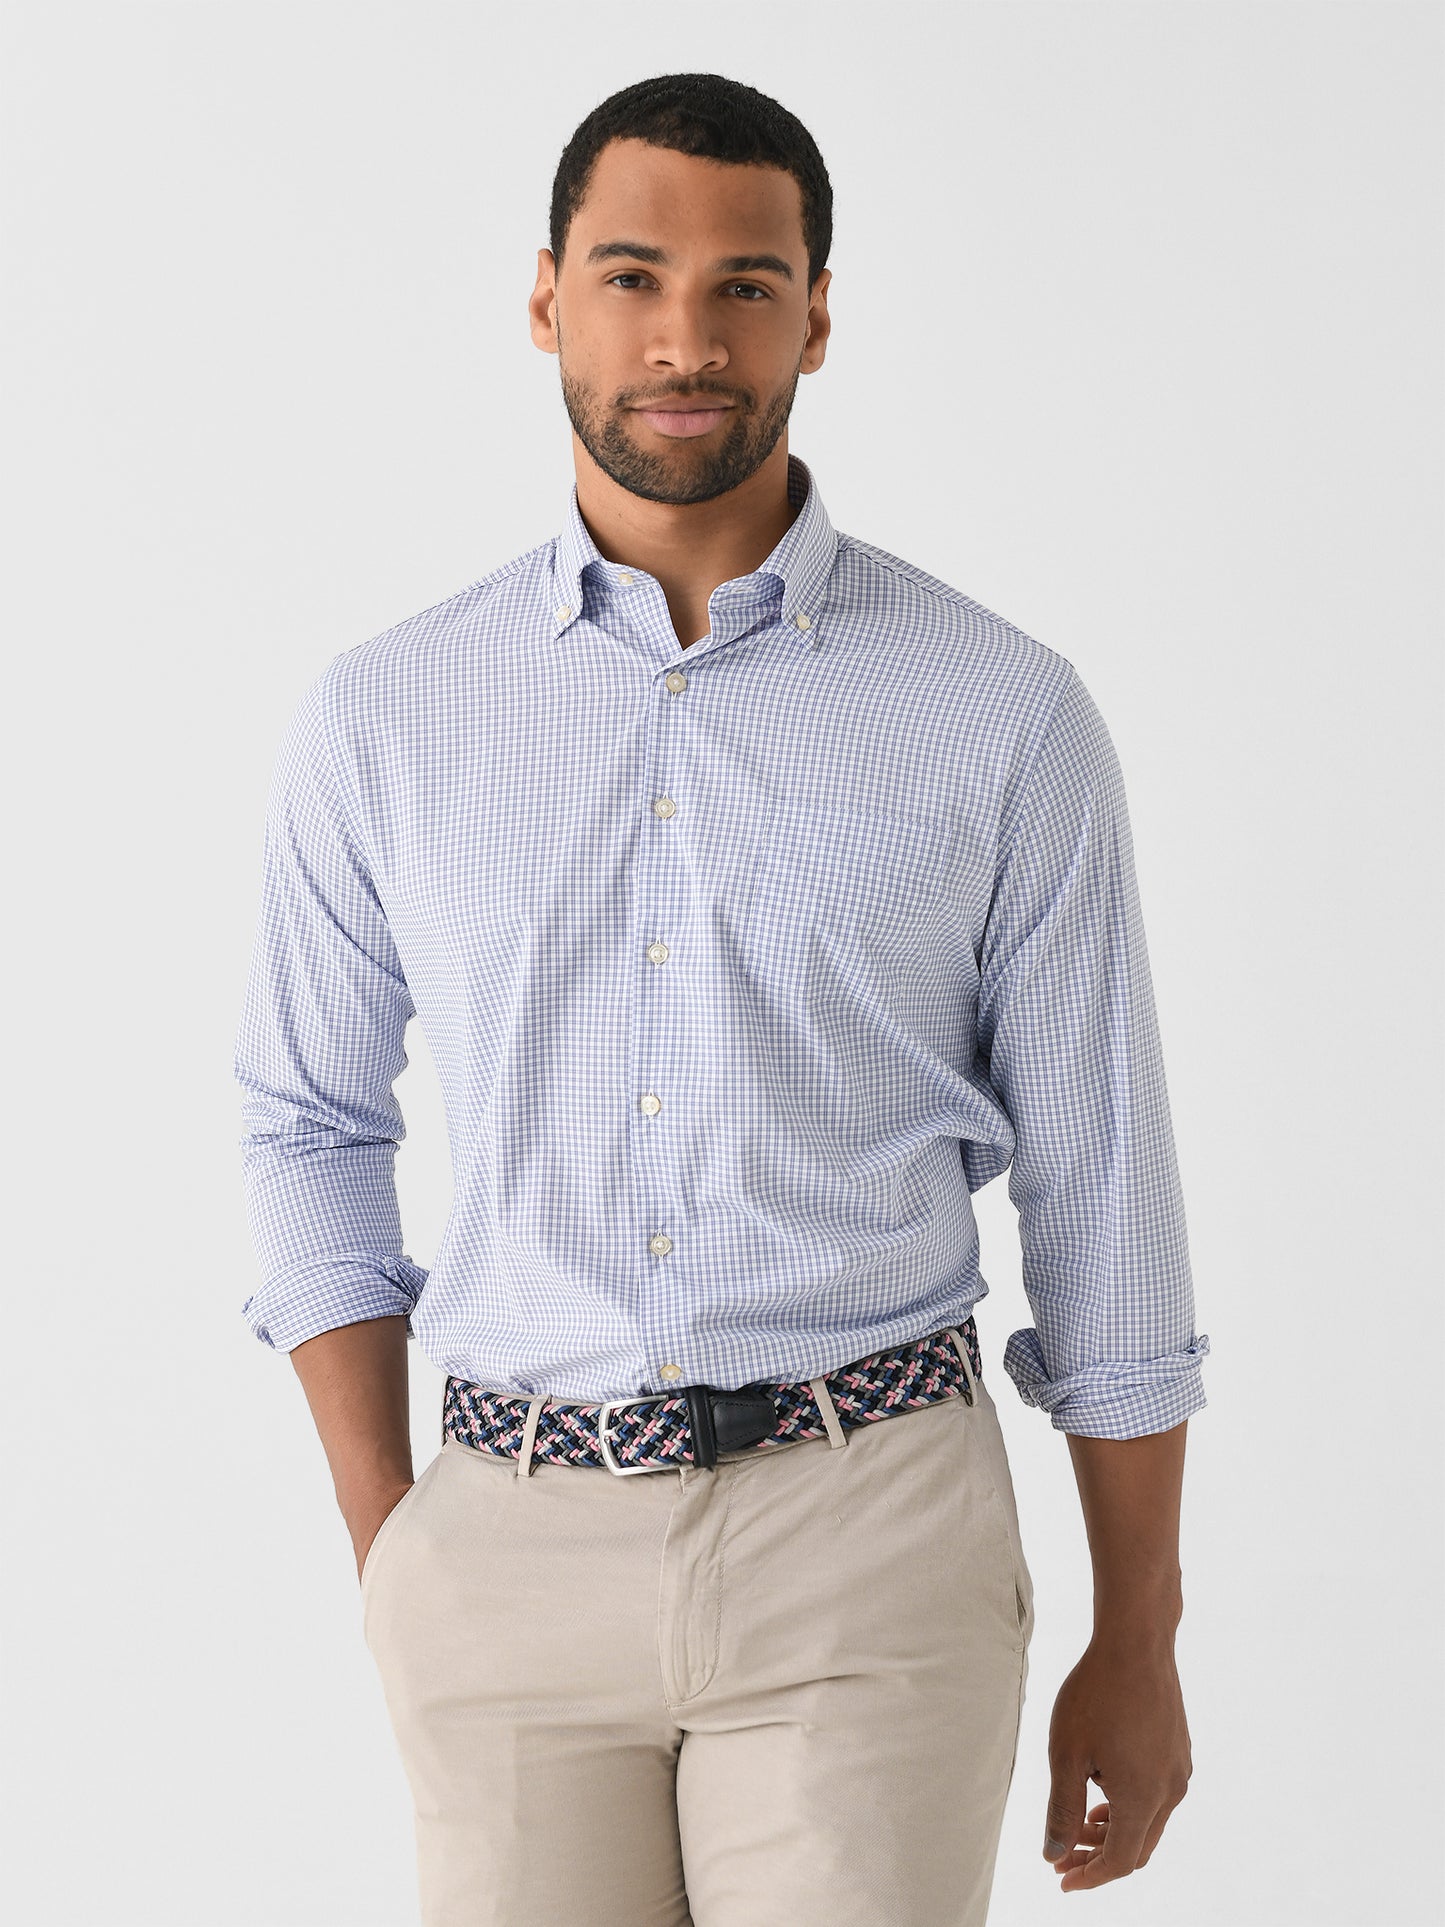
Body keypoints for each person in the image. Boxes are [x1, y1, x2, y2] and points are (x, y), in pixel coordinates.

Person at [233, 70, 1210, 1927]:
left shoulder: (1001, 714)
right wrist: (394, 1543)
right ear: (547, 299)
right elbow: (306, 1120)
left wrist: (1139, 1632)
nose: (685, 338)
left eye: (744, 286)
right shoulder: (387, 717)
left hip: (873, 1541)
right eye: (631, 277)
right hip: (503, 1544)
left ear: (815, 316)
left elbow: (1102, 1182)